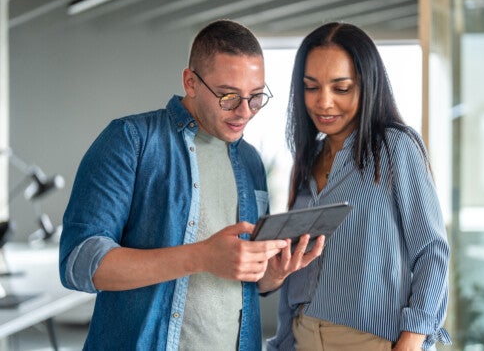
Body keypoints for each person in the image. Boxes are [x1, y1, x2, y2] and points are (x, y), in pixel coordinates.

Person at [59, 19, 324, 351]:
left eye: (255, 97)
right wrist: (200, 257)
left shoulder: (251, 162)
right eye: (228, 96)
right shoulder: (130, 140)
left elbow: (247, 280)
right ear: (190, 82)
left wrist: (273, 273)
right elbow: (80, 263)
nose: (244, 112)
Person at [267, 22, 451, 351]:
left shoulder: (396, 147)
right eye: (311, 87)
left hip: (373, 341)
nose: (323, 102)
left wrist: (410, 342)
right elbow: (297, 265)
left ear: (366, 85)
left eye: (341, 88)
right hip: (304, 337)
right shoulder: (306, 160)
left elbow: (432, 251)